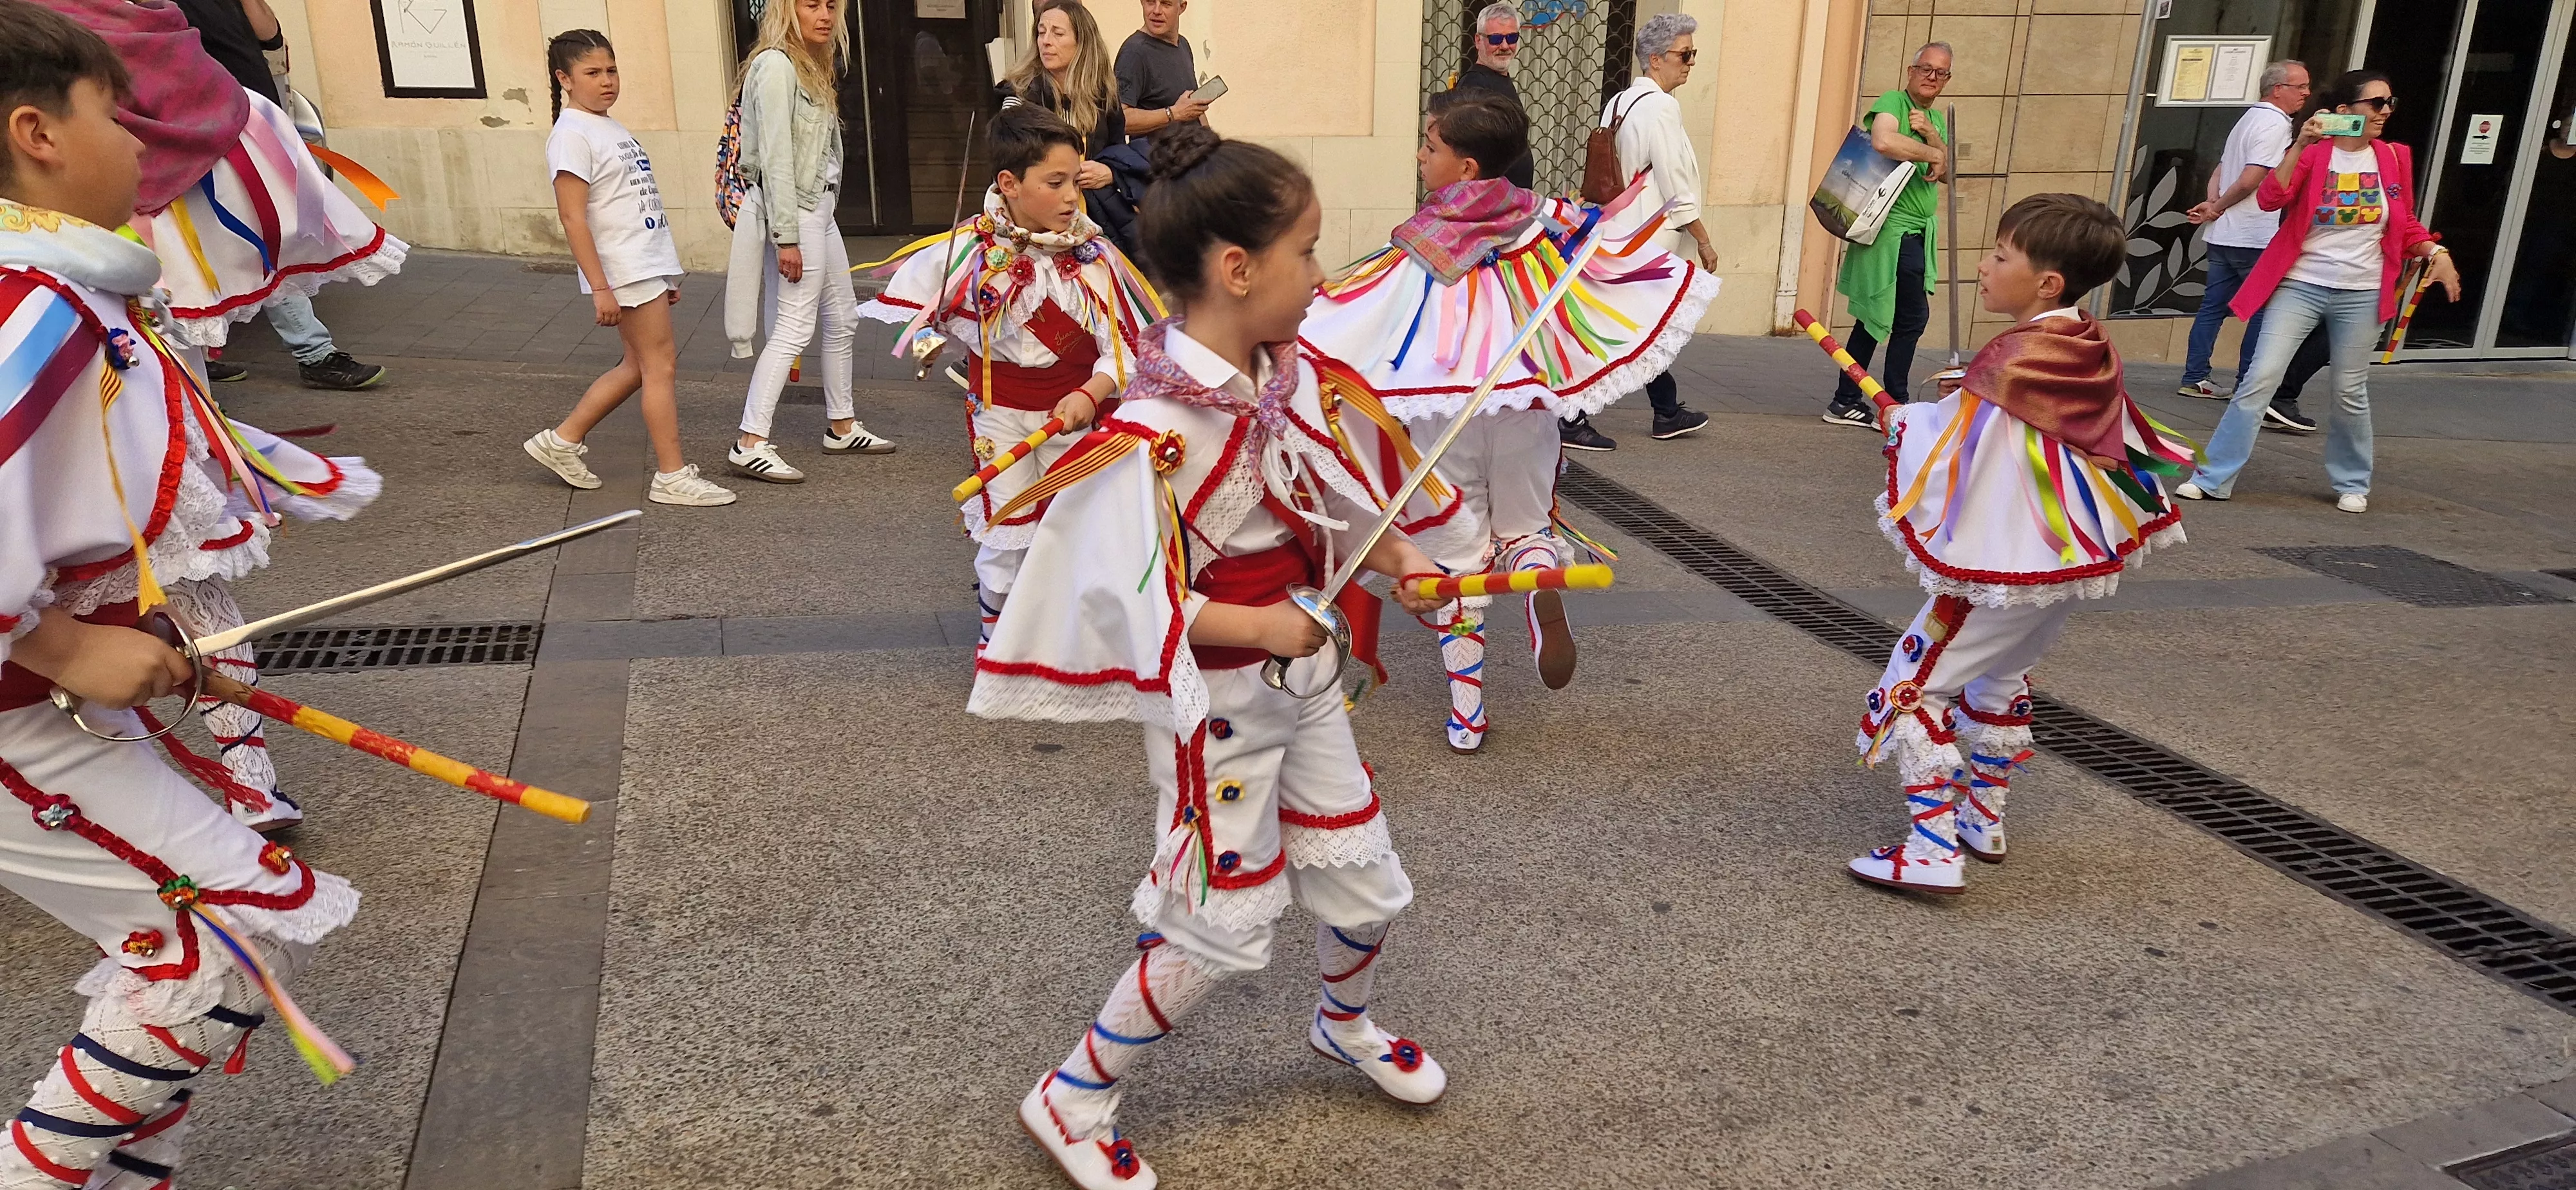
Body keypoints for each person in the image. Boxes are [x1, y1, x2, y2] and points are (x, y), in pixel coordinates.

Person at [974, 122, 1452, 1190]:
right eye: (1312, 250)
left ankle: (1343, 1023)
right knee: (1213, 923)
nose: (1325, 275)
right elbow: (1126, 599)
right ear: (1238, 269)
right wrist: (1267, 625)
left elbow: (1326, 489)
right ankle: (1074, 1091)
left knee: (1364, 875)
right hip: (1220, 705)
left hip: (1306, 677)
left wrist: (1398, 554)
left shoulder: (1280, 374)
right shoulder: (1151, 426)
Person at [0, 5, 362, 1182]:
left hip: (36, 707)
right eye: (116, 112)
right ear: (36, 132)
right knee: (204, 951)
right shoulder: (32, 300)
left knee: (207, 948)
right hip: (15, 714)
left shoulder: (63, 290)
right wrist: (59, 645)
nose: (143, 141)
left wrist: (131, 629)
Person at [1301, 91, 1715, 753]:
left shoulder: (1423, 240)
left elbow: (1370, 310)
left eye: (1429, 145)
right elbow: (1598, 232)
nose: (1419, 155)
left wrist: (1313, 321)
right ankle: (1538, 578)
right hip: (1524, 399)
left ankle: (1467, 715)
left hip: (1447, 407)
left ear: (1464, 167)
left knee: (1457, 552)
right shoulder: (1537, 216)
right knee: (1524, 523)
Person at [1846, 194, 2198, 895]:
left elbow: (1950, 442)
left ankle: (1931, 849)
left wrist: (1908, 421)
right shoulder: (2083, 342)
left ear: (2047, 283)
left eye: (2001, 255)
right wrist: (1960, 399)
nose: (1983, 264)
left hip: (2006, 566)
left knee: (1914, 688)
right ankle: (1983, 817)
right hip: (2061, 566)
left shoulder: (2013, 355)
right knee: (2001, 675)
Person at [855, 103, 1159, 646]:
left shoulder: (1095, 258)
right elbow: (919, 311)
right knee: (1006, 531)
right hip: (1000, 417)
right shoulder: (972, 250)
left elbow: (1124, 350)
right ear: (1009, 184)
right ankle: (998, 643)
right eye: (1055, 182)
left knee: (1073, 524)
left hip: (1074, 416)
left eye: (1076, 181)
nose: (1072, 196)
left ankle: (1065, 639)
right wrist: (933, 334)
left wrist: (1093, 392)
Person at [52, 0, 399, 390]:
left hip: (232, 129)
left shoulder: (161, 13)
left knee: (255, 250)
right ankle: (299, 354)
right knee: (194, 269)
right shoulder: (112, 20)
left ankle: (306, 353)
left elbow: (270, 36)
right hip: (183, 147)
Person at [2175, 70, 2460, 515]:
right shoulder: (2313, 155)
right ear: (2343, 112)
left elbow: (2402, 222)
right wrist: (2301, 145)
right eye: (2376, 104)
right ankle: (2213, 477)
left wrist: (2433, 249)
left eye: (2390, 103)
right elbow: (2271, 198)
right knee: (2260, 379)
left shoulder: (2393, 157)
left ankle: (2353, 481)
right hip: (2301, 284)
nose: (2386, 112)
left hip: (2362, 291)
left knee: (2349, 390)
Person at [524, 30, 736, 507]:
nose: (607, 81)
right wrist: (602, 287)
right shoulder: (572, 135)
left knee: (639, 367)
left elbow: (632, 204)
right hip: (623, 269)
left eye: (612, 70)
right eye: (592, 73)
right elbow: (572, 216)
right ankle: (672, 475)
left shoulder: (607, 127)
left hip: (643, 266)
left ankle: (561, 441)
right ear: (565, 78)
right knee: (660, 366)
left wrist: (664, 273)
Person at [160, 0, 389, 389]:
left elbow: (270, 36)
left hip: (253, 127)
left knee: (258, 240)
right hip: (205, 135)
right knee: (243, 242)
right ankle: (311, 354)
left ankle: (196, 350)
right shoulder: (156, 7)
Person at [721, 0, 896, 485]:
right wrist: (787, 237)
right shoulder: (776, 65)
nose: (825, 15)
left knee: (843, 317)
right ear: (786, 9)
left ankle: (842, 426)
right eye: (811, 5)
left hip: (817, 206)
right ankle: (749, 441)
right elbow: (775, 157)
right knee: (795, 328)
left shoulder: (812, 65)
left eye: (831, 5)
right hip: (795, 209)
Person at [1579, 10, 1712, 447]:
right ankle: (1572, 414)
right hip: (1647, 235)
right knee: (1627, 329)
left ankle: (1667, 409)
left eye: (1692, 54)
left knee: (1635, 325)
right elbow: (1673, 177)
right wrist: (1703, 237)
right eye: (1684, 54)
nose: (1690, 62)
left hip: (1620, 229)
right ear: (1655, 59)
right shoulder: (1661, 107)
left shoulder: (1620, 101)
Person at [2179, 59, 2313, 433]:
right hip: (2253, 233)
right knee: (2263, 311)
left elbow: (2223, 169)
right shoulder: (2274, 124)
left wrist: (2212, 206)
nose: (2306, 93)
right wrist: (2217, 207)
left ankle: (2195, 377)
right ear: (2277, 90)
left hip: (2225, 233)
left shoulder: (2248, 118)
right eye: (2299, 86)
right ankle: (2246, 387)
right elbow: (2253, 177)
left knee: (2213, 307)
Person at [1824, 42, 1952, 430]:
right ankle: (1897, 403)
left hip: (1913, 235)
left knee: (1873, 319)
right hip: (1893, 233)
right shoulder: (1892, 101)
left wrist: (1933, 137)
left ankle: (1845, 401)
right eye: (1926, 70)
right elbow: (1883, 140)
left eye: (1940, 73)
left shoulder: (1933, 120)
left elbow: (1947, 172)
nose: (1932, 78)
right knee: (1911, 318)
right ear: (1911, 71)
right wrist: (1932, 152)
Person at [1005, 1, 1139, 251]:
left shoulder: (1104, 95)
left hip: (1095, 215)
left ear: (1082, 43)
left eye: (1057, 33)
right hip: (1037, 225)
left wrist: (1109, 172)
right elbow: (1009, 164)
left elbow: (1118, 151)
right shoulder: (1020, 95)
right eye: (1041, 32)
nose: (1045, 41)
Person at [1444, 1, 1533, 190]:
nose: (1504, 46)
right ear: (1478, 41)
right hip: (1491, 209)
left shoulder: (1497, 79)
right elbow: (1467, 158)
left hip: (1510, 205)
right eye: (1495, 39)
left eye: (1512, 38)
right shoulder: (1474, 87)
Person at [1114, 0, 1209, 147]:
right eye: (1151, 2)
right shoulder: (1134, 53)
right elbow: (1119, 121)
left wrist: (1212, 144)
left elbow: (1194, 107)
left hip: (1193, 155)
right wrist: (1173, 114)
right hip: (1159, 163)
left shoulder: (1183, 44)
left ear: (1182, 7)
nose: (1156, 11)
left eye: (1166, 3)